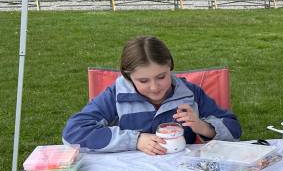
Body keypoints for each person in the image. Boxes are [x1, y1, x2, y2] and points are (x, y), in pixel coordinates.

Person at [63, 36, 241, 155]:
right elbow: (73, 133)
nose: (154, 87)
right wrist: (136, 140)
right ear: (127, 76)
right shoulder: (116, 95)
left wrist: (203, 127)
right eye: (143, 81)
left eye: (161, 77)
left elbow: (234, 130)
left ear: (170, 66)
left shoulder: (190, 93)